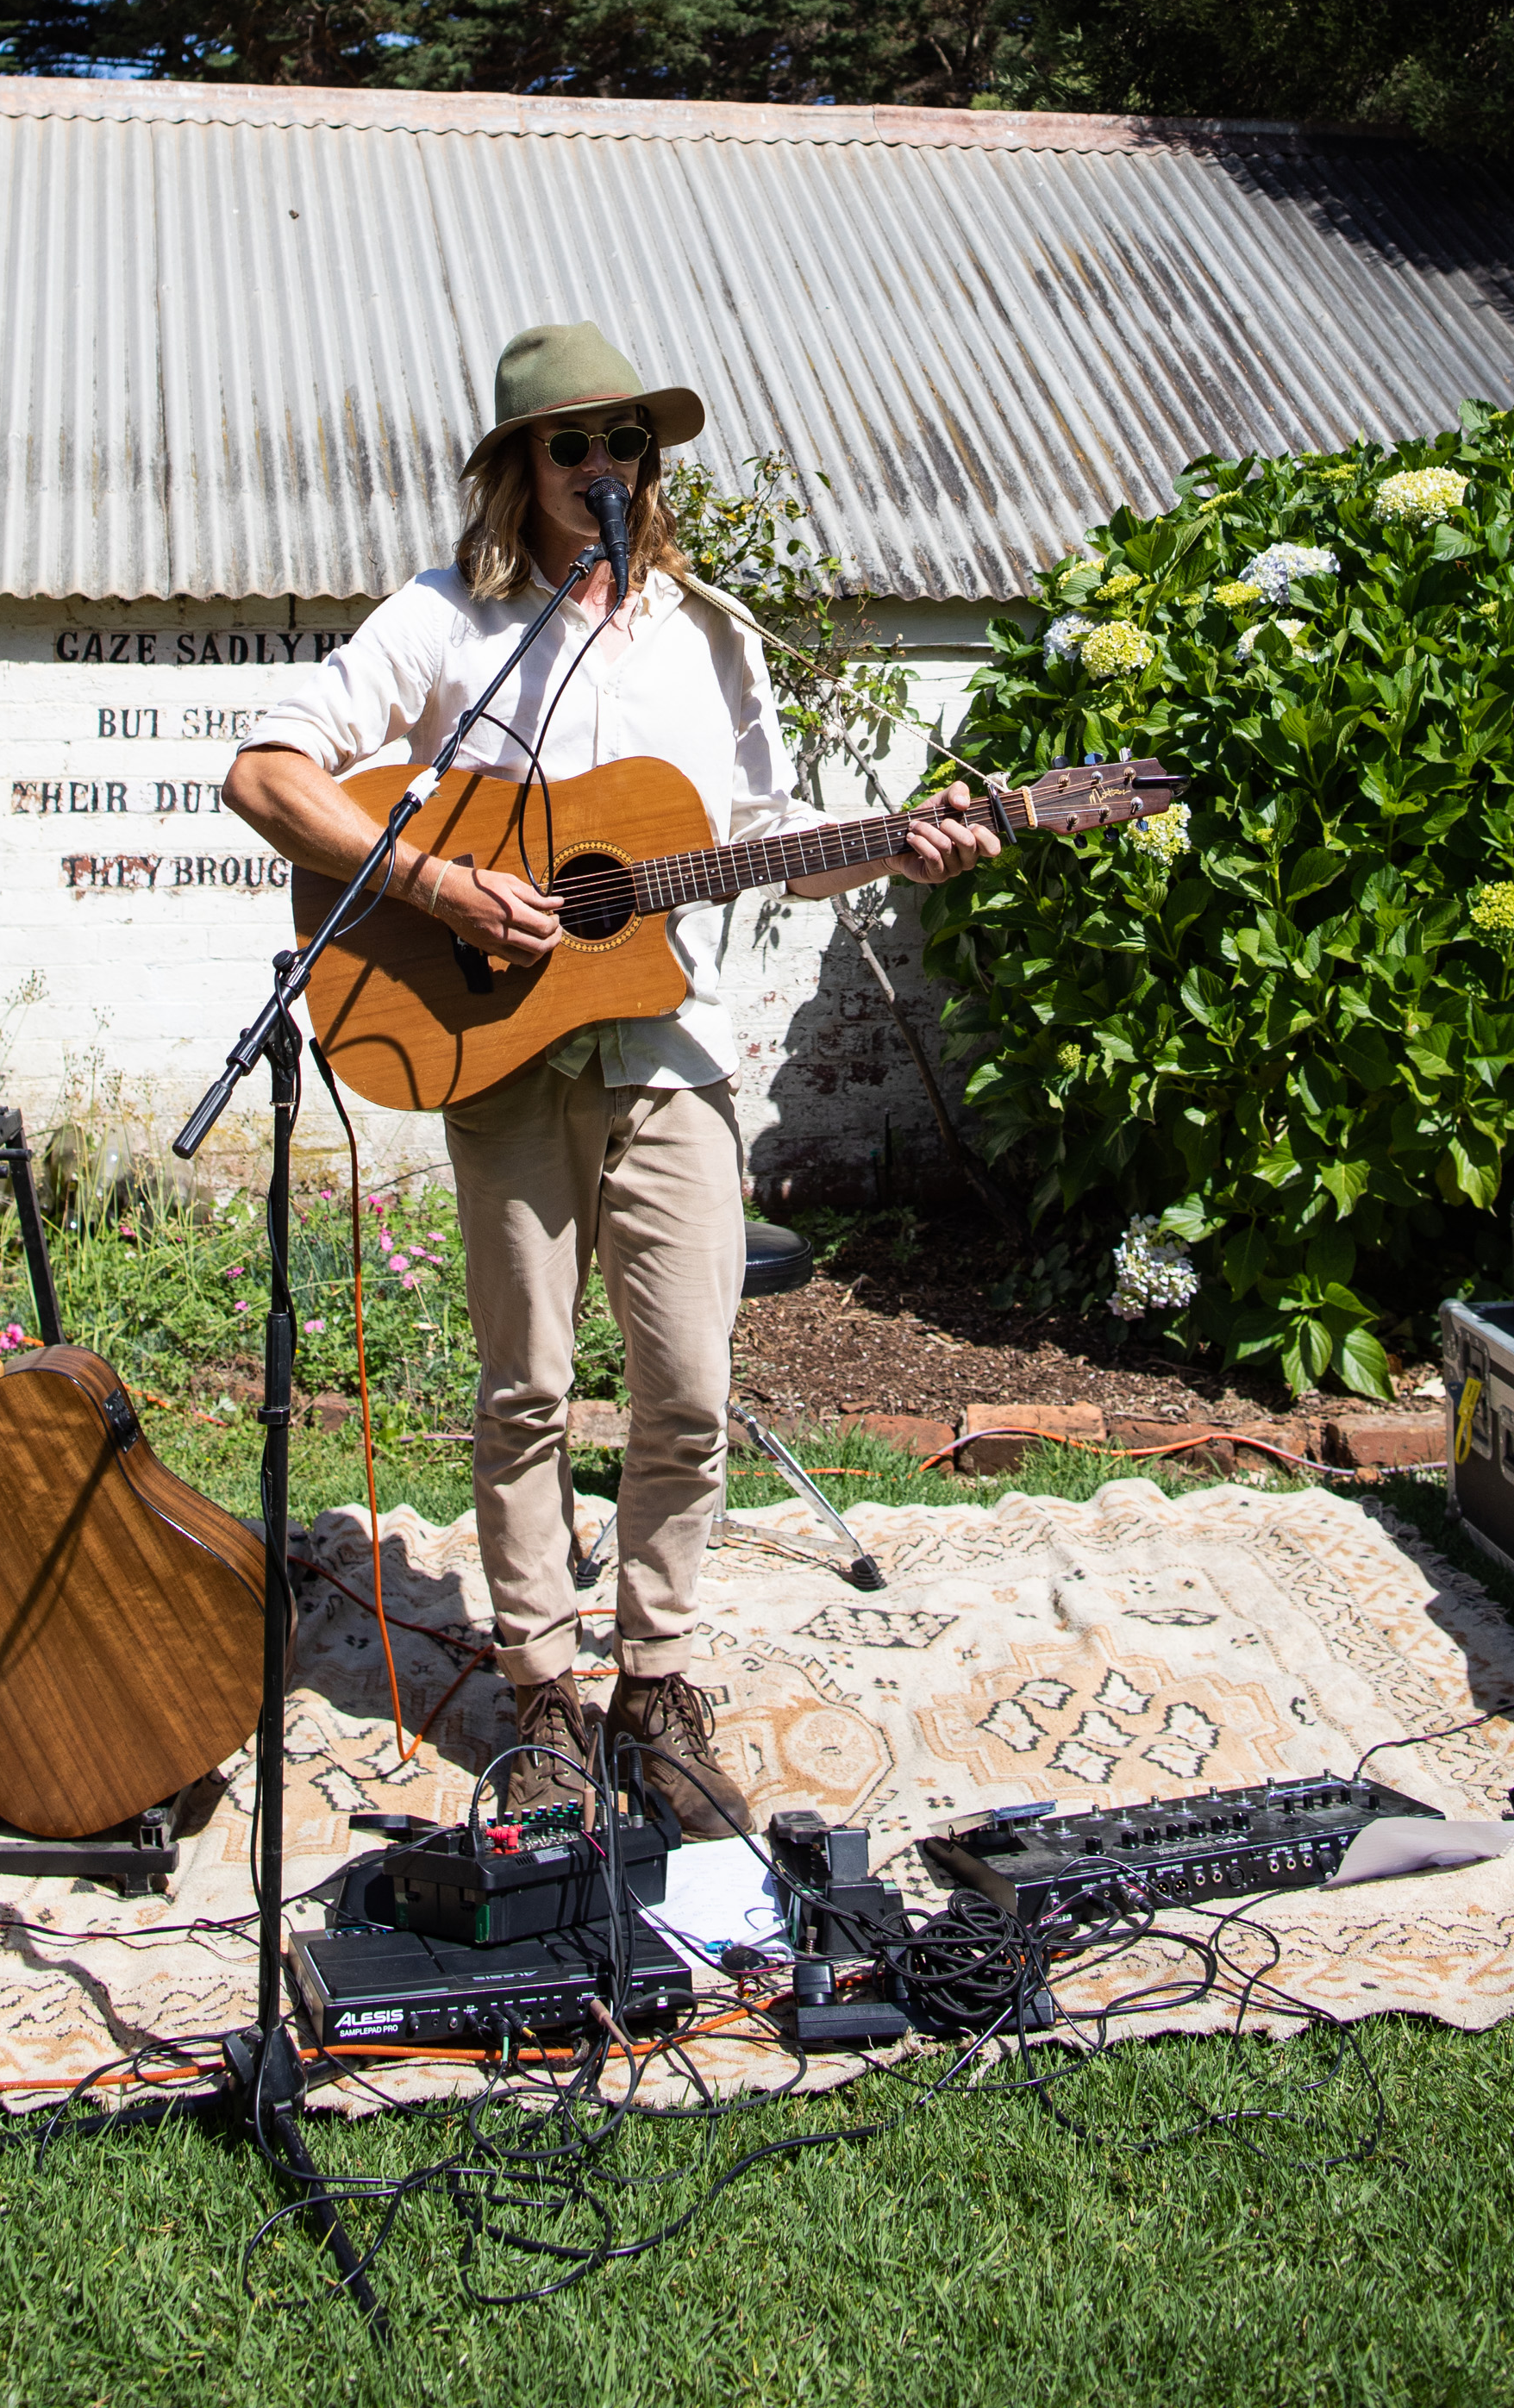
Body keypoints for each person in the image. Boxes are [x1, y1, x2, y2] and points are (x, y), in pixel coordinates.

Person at [228, 317, 1004, 1836]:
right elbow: (268, 775)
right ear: (520, 470)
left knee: (689, 1389)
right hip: (503, 1061)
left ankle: (654, 1681)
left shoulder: (718, 639)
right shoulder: (449, 621)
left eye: (626, 443)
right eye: (571, 445)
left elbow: (767, 845)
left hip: (673, 1057)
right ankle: (538, 1689)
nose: (605, 468)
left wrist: (897, 838)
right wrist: (453, 889)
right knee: (524, 1388)